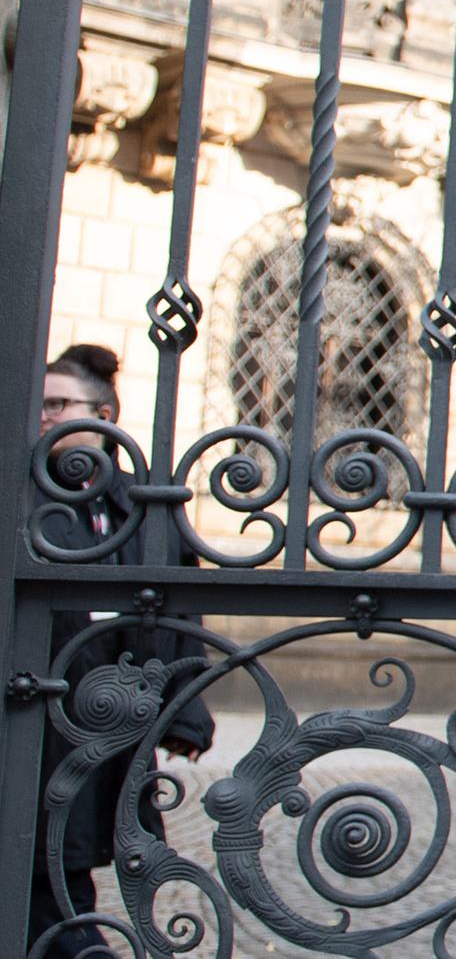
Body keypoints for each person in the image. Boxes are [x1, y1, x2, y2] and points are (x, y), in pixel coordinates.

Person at [27, 345, 215, 957]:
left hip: (112, 721)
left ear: (103, 413)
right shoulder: (24, 494)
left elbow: (181, 609)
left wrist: (185, 713)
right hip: (38, 709)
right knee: (45, 852)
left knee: (78, 845)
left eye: (58, 403)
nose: (44, 415)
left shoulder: (143, 506)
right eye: (40, 402)